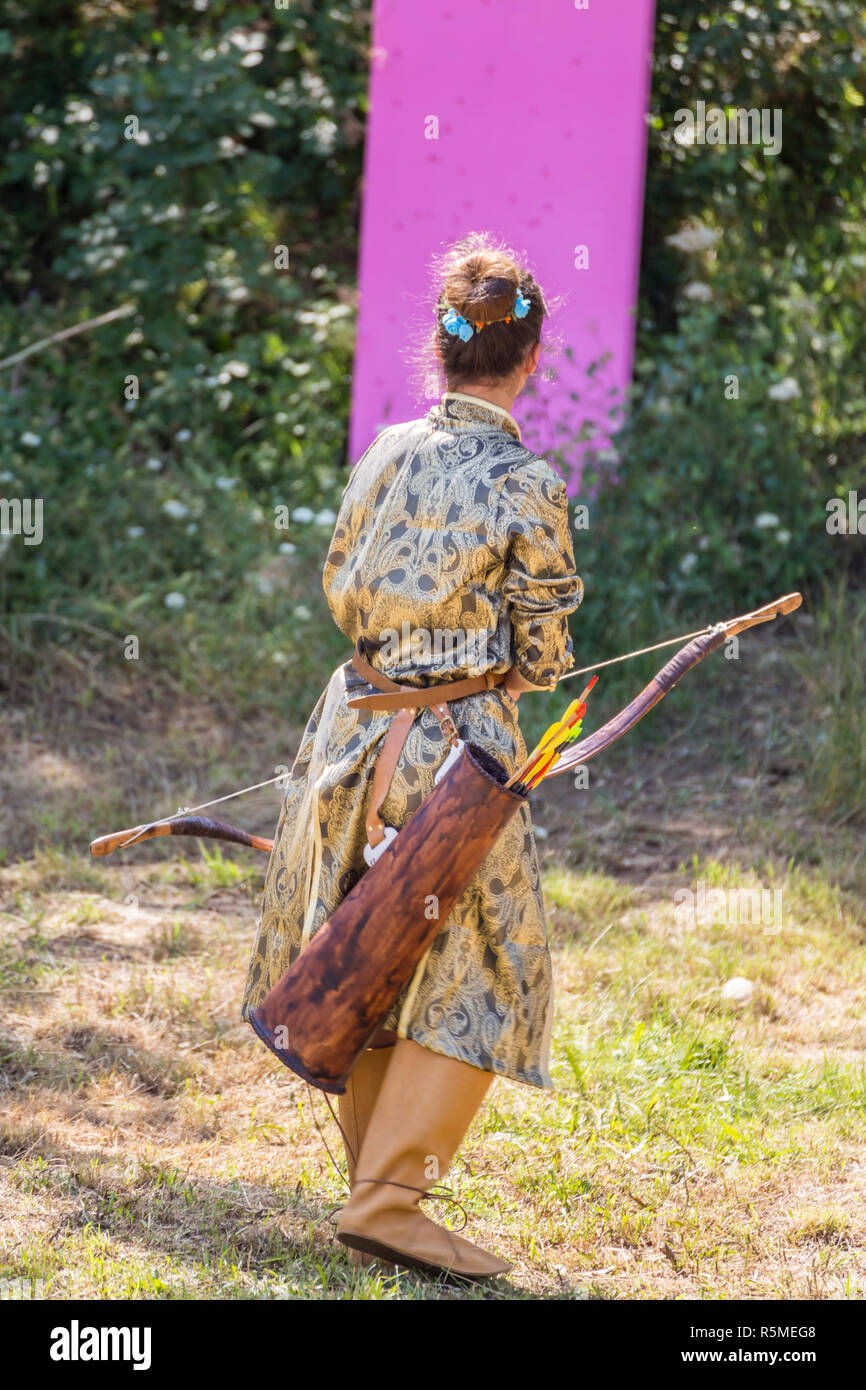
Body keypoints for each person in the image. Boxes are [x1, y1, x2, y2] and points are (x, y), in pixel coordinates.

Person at [241, 232, 583, 1279]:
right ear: (531, 358)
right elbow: (543, 647)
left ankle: (372, 1190)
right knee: (489, 965)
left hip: (351, 728)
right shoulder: (527, 480)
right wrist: (514, 669)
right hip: (456, 753)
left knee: (369, 937)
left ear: (440, 353)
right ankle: (388, 1199)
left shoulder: (382, 450)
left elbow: (343, 584)